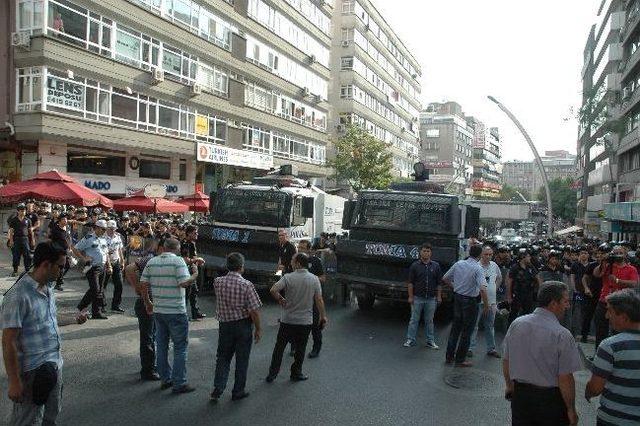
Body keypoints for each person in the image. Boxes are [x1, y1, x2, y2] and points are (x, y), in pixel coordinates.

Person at [1, 241, 88, 425]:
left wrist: (74, 318)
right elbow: (9, 341)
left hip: (54, 366)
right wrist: (14, 381)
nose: (62, 271)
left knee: (51, 414)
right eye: (60, 267)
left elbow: (49, 320)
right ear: (46, 264)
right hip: (32, 371)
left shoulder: (47, 288)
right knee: (27, 420)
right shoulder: (18, 296)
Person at [502, 281, 582, 426]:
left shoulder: (517, 324)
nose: (568, 305)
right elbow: (565, 378)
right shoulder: (562, 335)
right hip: (549, 401)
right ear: (553, 303)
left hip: (521, 397)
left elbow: (507, 360)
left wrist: (509, 386)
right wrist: (571, 408)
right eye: (565, 301)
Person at [140, 238, 199, 394]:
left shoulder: (152, 262)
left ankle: (165, 379)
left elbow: (143, 284)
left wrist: (148, 302)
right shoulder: (178, 261)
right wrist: (195, 274)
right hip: (176, 311)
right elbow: (184, 283)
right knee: (180, 348)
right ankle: (179, 383)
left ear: (164, 248)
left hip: (159, 310)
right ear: (177, 248)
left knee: (162, 346)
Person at [266, 253, 328, 383]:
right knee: (301, 348)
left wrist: (281, 299)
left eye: (293, 261)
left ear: (299, 263)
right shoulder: (314, 279)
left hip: (287, 319)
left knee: (279, 347)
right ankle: (296, 372)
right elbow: (319, 300)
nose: (291, 263)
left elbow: (273, 289)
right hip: (305, 321)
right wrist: (323, 316)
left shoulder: (288, 277)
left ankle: (272, 373)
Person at [210, 253, 262, 403]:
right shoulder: (246, 285)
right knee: (242, 359)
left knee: (223, 357)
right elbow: (254, 311)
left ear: (227, 266)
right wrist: (258, 329)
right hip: (242, 325)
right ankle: (238, 391)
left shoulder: (217, 282)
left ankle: (218, 389)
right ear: (241, 267)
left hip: (225, 325)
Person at [585, 289, 640, 425]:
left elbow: (595, 388)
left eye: (610, 311)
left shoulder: (610, 345)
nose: (606, 316)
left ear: (624, 316)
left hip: (614, 419)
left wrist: (588, 391)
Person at [443, 245, 489, 367]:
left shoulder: (459, 264)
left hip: (458, 297)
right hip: (470, 301)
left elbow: (445, 278)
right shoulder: (478, 268)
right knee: (467, 331)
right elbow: (483, 289)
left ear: (469, 252)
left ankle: (449, 356)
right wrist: (486, 306)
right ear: (479, 255)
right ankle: (460, 359)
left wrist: (455, 287)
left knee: (455, 328)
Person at [124, 238, 163, 381]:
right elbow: (129, 269)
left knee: (152, 335)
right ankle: (148, 370)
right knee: (148, 337)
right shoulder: (150, 259)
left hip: (154, 304)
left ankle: (151, 365)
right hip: (147, 303)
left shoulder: (160, 260)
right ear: (160, 248)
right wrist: (137, 288)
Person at [592, 245, 639, 347]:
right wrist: (603, 262)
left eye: (620, 253)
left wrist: (618, 281)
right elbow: (596, 274)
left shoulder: (631, 269)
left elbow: (634, 283)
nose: (618, 255)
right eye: (616, 253)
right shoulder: (608, 266)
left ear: (625, 255)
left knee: (618, 330)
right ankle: (599, 351)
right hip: (604, 301)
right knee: (600, 329)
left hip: (621, 303)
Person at [403, 243, 443, 350]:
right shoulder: (415, 266)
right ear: (420, 252)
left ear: (431, 253)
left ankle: (430, 341)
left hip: (431, 298)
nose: (426, 253)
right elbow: (410, 282)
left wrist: (439, 296)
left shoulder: (436, 266)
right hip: (417, 298)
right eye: (424, 251)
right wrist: (410, 296)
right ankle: (410, 339)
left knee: (429, 320)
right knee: (414, 320)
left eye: (428, 251)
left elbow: (439, 283)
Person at [73, 219, 111, 320]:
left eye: (105, 229)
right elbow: (76, 248)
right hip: (92, 267)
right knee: (95, 289)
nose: (104, 231)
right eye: (103, 229)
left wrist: (109, 265)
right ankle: (81, 307)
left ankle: (96, 312)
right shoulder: (88, 238)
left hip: (102, 267)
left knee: (100, 290)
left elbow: (106, 253)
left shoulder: (104, 239)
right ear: (97, 228)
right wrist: (84, 258)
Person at [469, 245, 502, 358]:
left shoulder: (494, 266)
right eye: (486, 254)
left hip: (491, 302)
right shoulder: (476, 266)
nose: (488, 256)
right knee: (474, 326)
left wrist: (494, 288)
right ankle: (470, 348)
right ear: (481, 254)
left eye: (490, 254)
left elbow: (499, 278)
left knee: (490, 326)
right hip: (478, 301)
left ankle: (491, 349)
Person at [297, 240, 326, 358]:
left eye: (303, 248)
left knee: (315, 325)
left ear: (309, 249)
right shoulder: (295, 261)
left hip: (313, 297)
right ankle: (296, 347)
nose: (300, 250)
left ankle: (316, 348)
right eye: (299, 247)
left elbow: (323, 278)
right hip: (299, 298)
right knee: (297, 324)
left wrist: (310, 279)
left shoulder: (316, 261)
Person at [507, 249, 538, 324]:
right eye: (528, 256)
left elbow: (538, 277)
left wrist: (537, 290)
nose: (529, 258)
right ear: (523, 257)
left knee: (528, 315)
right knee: (513, 314)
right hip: (517, 294)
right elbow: (509, 282)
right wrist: (509, 296)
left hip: (528, 294)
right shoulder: (515, 268)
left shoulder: (531, 267)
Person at [181, 225, 206, 320]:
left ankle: (195, 312)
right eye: (195, 233)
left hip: (192, 271)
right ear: (189, 233)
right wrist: (195, 260)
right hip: (185, 272)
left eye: (197, 232)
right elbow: (185, 260)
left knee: (194, 292)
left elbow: (194, 257)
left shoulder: (192, 243)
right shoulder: (185, 243)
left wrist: (198, 261)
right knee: (186, 294)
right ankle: (183, 314)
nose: (197, 234)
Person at [7, 204, 35, 277]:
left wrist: (32, 240)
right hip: (16, 240)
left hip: (25, 240)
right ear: (18, 211)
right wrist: (11, 240)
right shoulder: (14, 220)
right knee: (16, 256)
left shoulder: (28, 220)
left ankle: (27, 270)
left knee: (27, 256)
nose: (23, 212)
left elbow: (30, 231)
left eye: (24, 211)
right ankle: (15, 271)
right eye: (22, 211)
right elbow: (11, 231)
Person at [104, 220, 125, 313]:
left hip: (116, 261)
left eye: (113, 229)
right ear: (107, 228)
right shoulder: (103, 238)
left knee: (119, 284)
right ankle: (101, 305)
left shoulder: (118, 237)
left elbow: (120, 249)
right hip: (105, 263)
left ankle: (116, 305)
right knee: (102, 285)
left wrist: (122, 261)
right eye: (110, 229)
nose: (112, 230)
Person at [570, 246, 590, 341]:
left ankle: (585, 334)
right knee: (577, 312)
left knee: (587, 313)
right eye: (582, 253)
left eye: (585, 253)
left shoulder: (592, 265)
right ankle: (575, 332)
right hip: (578, 292)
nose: (583, 255)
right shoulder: (575, 265)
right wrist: (574, 289)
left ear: (588, 255)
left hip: (589, 293)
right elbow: (572, 277)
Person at [48, 213, 72, 291]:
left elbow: (68, 238)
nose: (66, 220)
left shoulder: (67, 228)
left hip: (66, 251)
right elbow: (50, 240)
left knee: (67, 266)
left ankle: (57, 277)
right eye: (64, 219)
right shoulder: (55, 229)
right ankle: (58, 283)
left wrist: (70, 248)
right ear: (60, 221)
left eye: (66, 219)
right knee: (61, 267)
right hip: (59, 252)